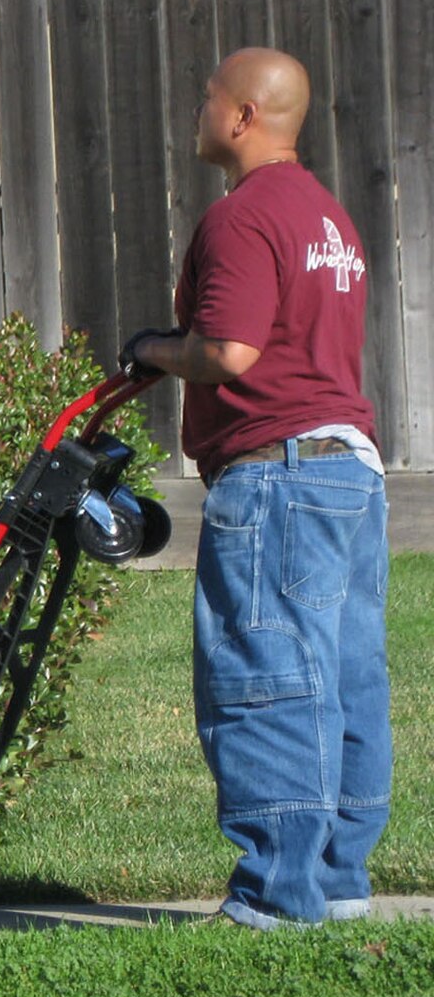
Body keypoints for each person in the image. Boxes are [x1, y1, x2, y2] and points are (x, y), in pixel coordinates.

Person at [123, 46, 390, 930]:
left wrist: (154, 348)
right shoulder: (328, 218)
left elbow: (231, 353)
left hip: (277, 475)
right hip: (350, 468)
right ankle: (339, 880)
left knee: (266, 667)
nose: (198, 112)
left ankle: (278, 895)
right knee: (345, 674)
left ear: (241, 116)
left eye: (207, 99)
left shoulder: (243, 217)